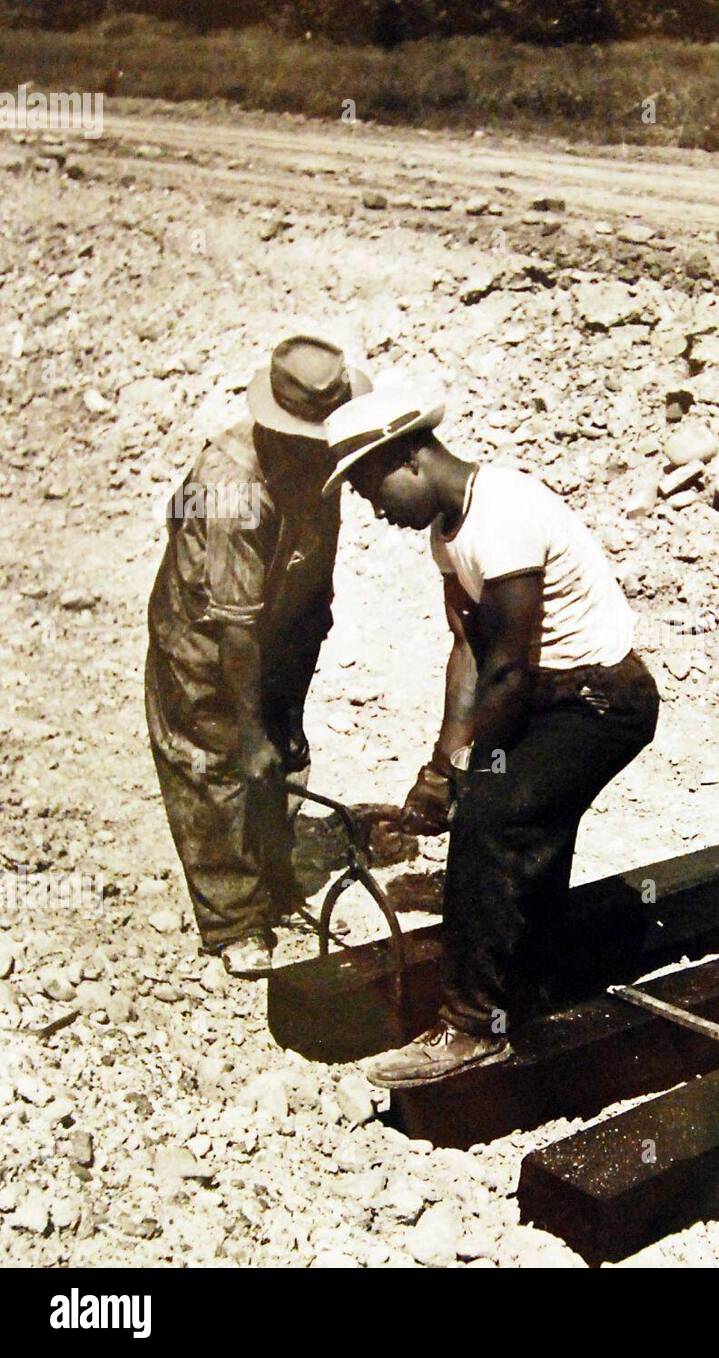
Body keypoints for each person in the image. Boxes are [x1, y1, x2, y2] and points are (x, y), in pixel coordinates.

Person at [321, 385, 660, 1086]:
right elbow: (471, 651)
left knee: (494, 818)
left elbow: (505, 672)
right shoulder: (450, 531)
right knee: (522, 822)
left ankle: (474, 1028)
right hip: (545, 690)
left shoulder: (503, 514)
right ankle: (530, 983)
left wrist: (464, 780)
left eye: (369, 487)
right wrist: (439, 762)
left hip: (602, 700)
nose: (373, 509)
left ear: (409, 458)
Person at [145, 336, 370, 976]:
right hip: (207, 636)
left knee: (280, 753)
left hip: (277, 624)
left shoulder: (318, 459)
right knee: (213, 760)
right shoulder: (232, 484)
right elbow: (234, 630)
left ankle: (271, 878)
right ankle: (233, 917)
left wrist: (290, 693)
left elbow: (313, 568)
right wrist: (250, 733)